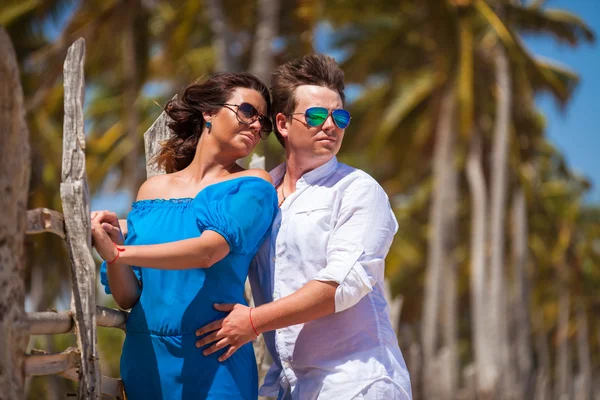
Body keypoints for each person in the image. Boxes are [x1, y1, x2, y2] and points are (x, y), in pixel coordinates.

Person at [195, 54, 412, 399]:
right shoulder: (260, 194)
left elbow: (341, 285)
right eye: (315, 115)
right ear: (282, 123)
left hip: (357, 384)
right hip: (289, 387)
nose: (330, 125)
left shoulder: (358, 190)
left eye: (339, 117)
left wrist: (252, 321)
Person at [90, 72, 278, 400]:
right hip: (145, 356)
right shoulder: (152, 190)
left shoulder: (253, 185)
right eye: (248, 111)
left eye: (263, 122)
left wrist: (120, 254)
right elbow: (128, 298)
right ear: (209, 112)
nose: (256, 126)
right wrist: (114, 247)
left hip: (215, 358)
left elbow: (208, 250)